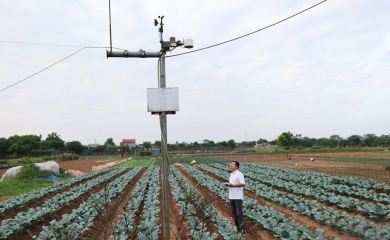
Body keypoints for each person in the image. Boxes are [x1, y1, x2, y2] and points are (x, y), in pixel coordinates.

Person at [226, 161, 246, 234]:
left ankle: (243, 230)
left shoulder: (239, 174)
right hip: (232, 196)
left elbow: (243, 184)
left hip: (238, 197)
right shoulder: (231, 174)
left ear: (236, 166)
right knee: (234, 214)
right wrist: (228, 184)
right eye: (230, 164)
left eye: (232, 165)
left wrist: (233, 185)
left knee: (239, 214)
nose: (230, 165)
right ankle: (238, 228)